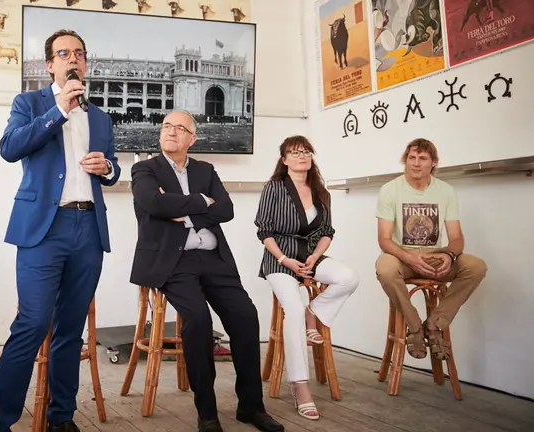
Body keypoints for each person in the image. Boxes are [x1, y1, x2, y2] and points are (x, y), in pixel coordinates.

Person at [0, 29, 120, 432]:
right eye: (64, 53)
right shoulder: (29, 103)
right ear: (50, 65)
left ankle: (61, 417)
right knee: (32, 323)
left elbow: (111, 168)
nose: (73, 59)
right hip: (44, 230)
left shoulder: (99, 116)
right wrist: (58, 111)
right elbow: (10, 148)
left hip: (89, 228)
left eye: (80, 53)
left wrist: (109, 169)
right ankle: (0, 424)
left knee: (70, 331)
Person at [130, 110, 283, 432]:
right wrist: (202, 200)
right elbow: (154, 205)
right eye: (166, 126)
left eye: (179, 128)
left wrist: (179, 203)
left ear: (192, 139)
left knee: (245, 316)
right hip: (174, 261)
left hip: (214, 258)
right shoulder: (145, 169)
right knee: (198, 320)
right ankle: (208, 413)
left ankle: (251, 407)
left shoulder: (206, 169)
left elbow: (225, 210)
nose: (170, 132)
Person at [254, 136, 359, 421]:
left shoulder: (321, 191)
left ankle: (315, 312)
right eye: (294, 152)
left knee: (347, 277)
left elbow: (327, 232)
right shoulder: (274, 188)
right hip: (280, 259)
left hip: (311, 258)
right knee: (293, 310)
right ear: (284, 160)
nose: (302, 155)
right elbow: (264, 231)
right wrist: (285, 259)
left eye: (306, 151)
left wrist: (315, 258)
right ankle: (300, 386)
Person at [375, 138, 487, 360]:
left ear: (433, 162)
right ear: (405, 160)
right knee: (385, 267)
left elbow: (456, 238)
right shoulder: (390, 190)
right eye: (411, 157)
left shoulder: (445, 191)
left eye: (422, 158)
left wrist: (448, 254)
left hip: (435, 258)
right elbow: (384, 240)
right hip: (403, 258)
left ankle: (435, 324)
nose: (416, 163)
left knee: (476, 266)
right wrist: (409, 257)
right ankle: (415, 328)